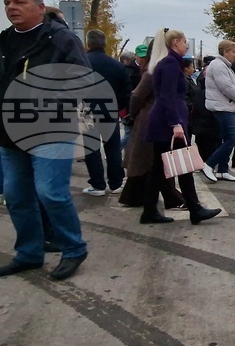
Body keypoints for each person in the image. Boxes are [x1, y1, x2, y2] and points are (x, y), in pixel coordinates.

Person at [0, 0, 89, 280]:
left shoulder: (60, 39)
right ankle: (29, 253)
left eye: (19, 2)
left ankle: (73, 249)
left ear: (40, 8)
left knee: (50, 193)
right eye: (7, 3)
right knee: (16, 195)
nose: (12, 8)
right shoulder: (1, 43)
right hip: (8, 132)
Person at [139, 28, 221, 225]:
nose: (186, 45)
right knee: (179, 166)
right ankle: (194, 209)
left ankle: (153, 211)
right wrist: (175, 123)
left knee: (161, 169)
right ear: (175, 42)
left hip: (166, 123)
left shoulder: (170, 63)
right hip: (168, 125)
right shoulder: (169, 64)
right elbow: (168, 96)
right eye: (185, 42)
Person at [119, 41, 186, 211]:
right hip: (152, 119)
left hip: (151, 118)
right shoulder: (155, 68)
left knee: (151, 162)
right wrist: (133, 114)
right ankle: (174, 199)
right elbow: (138, 95)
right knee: (156, 162)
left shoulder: (156, 66)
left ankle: (137, 198)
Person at [82, 30, 131, 197]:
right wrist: (118, 107)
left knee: (91, 149)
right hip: (110, 111)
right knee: (113, 148)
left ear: (88, 43)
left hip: (86, 112)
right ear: (104, 44)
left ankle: (97, 184)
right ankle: (116, 183)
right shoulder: (117, 65)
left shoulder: (81, 64)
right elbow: (126, 92)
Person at [200, 40, 235, 183]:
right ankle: (208, 164)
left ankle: (222, 170)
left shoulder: (223, 66)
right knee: (233, 138)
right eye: (233, 51)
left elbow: (231, 85)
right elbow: (226, 87)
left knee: (226, 138)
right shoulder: (219, 65)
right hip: (223, 107)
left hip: (224, 105)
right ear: (225, 52)